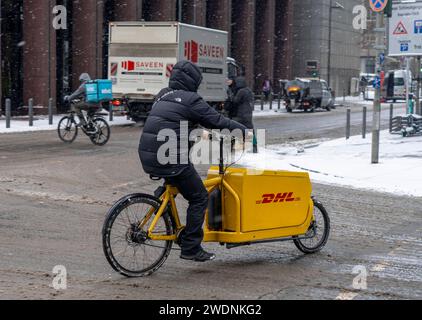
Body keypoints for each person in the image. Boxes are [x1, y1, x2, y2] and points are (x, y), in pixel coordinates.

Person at [139, 61, 247, 262]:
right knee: (199, 197)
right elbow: (217, 120)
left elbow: (171, 120)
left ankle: (164, 201)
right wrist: (242, 130)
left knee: (176, 181)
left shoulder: (163, 94)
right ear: (193, 81)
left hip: (149, 154)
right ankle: (191, 247)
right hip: (171, 158)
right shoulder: (190, 99)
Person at [230, 77, 257, 153]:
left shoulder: (241, 91)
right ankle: (255, 147)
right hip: (248, 114)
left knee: (235, 129)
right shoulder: (249, 90)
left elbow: (235, 101)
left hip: (241, 114)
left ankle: (233, 147)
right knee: (251, 131)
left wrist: (231, 96)